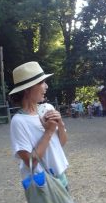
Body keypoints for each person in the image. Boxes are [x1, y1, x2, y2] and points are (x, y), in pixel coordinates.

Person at [9, 61, 70, 192]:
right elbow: (31, 162)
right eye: (42, 82)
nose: (46, 86)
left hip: (61, 178)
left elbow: (62, 143)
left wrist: (60, 123)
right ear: (27, 89)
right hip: (42, 186)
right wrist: (49, 132)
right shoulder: (18, 121)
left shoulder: (48, 108)